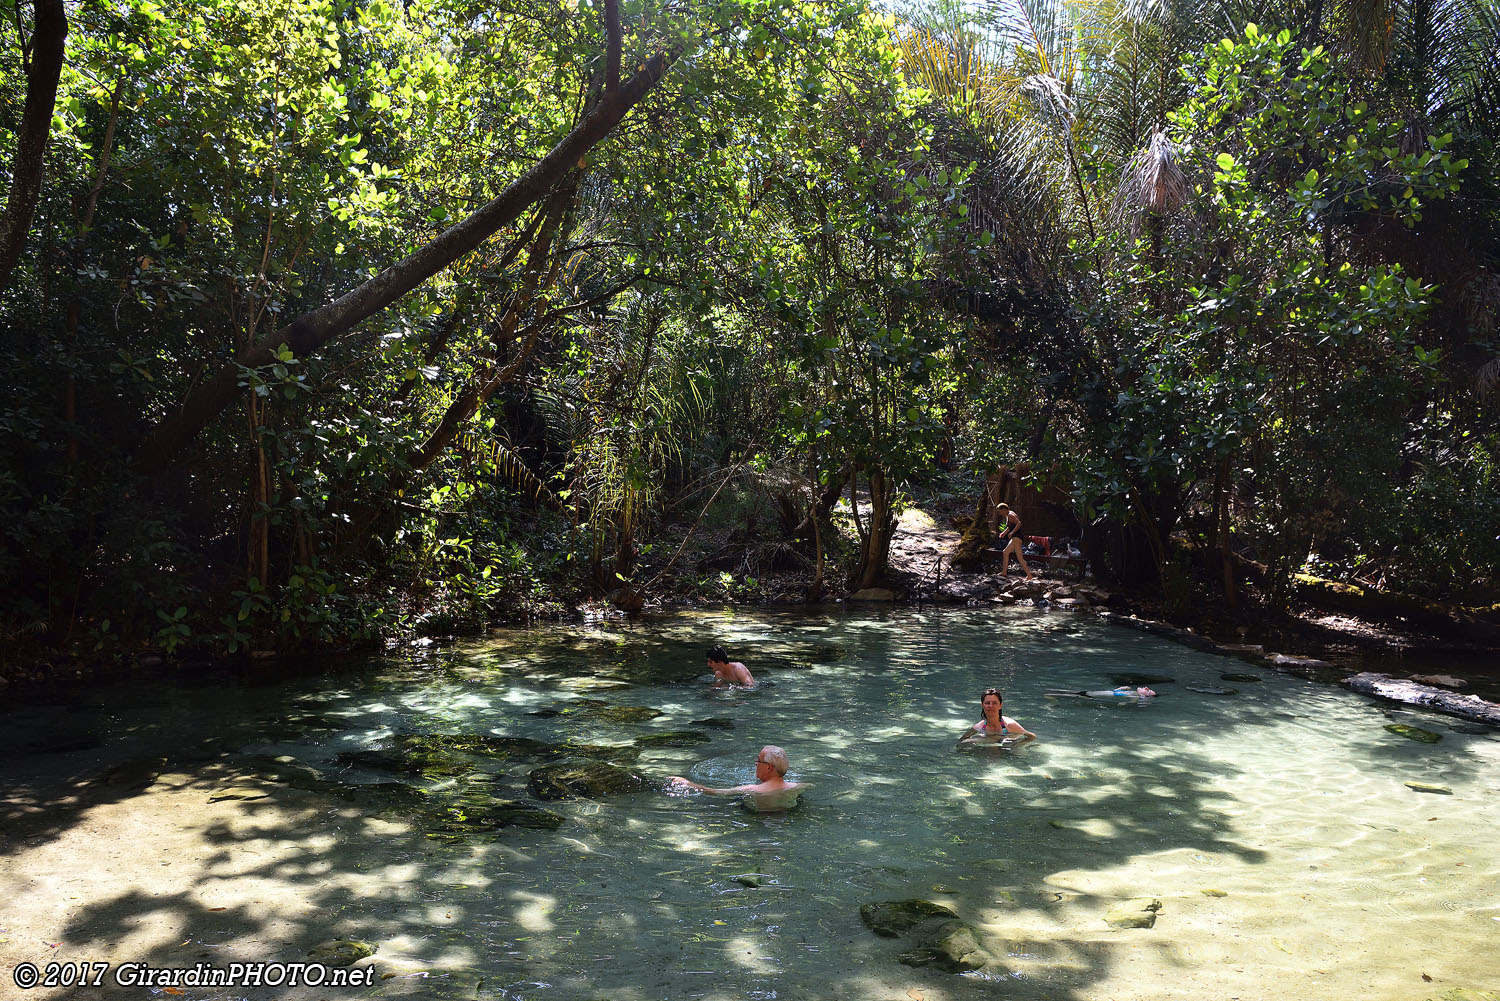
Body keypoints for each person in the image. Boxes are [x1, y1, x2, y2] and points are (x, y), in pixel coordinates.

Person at [667, 745, 802, 809]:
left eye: (758, 761)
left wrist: (687, 783)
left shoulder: (751, 789)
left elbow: (714, 792)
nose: (755, 764)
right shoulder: (800, 787)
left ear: (769, 767)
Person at [957, 688, 1036, 746]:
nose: (990, 706)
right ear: (982, 705)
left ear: (1000, 705)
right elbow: (961, 740)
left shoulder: (1010, 725)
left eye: (994, 703)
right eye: (987, 703)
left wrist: (1017, 745)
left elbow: (1032, 736)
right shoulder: (979, 726)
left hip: (1011, 747)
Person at [992, 503, 1034, 579]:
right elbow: (1010, 526)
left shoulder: (1011, 515)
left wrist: (1012, 532)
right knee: (1005, 552)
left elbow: (1019, 523)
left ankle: (1029, 575)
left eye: (1000, 511)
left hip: (1017, 538)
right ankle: (1004, 572)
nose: (999, 513)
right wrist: (1004, 533)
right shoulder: (1008, 515)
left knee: (1020, 558)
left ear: (1004, 509)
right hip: (1014, 538)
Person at [1044, 686, 1157, 699]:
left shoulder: (1135, 696)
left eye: (1148, 690)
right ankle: (1052, 690)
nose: (1146, 688)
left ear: (1145, 695)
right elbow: (1115, 691)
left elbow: (1117, 695)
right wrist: (1121, 688)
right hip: (1098, 692)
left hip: (1098, 695)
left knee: (1076, 694)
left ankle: (1051, 694)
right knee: (1077, 692)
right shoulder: (1131, 692)